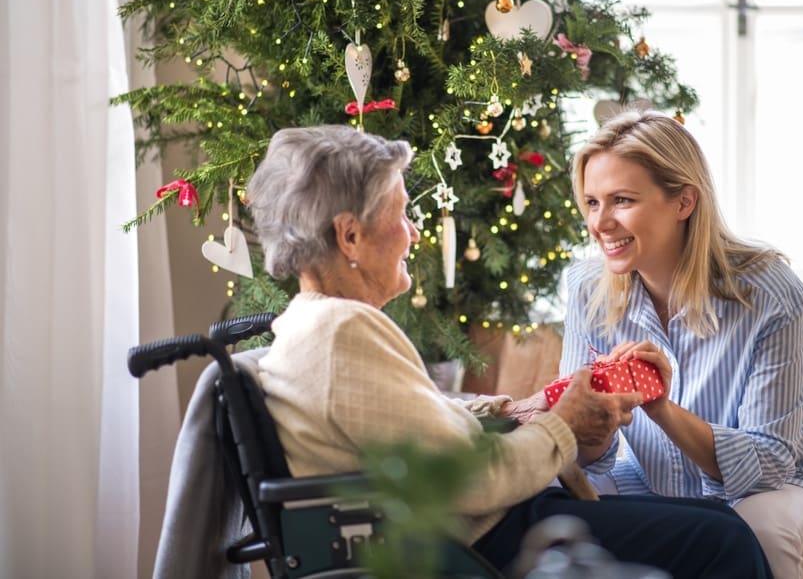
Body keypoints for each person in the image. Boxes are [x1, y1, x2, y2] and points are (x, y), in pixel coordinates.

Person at [247, 124, 773, 578]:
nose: (413, 232)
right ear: (350, 236)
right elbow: (472, 480)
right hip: (478, 541)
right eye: (401, 214)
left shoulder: (314, 324)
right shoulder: (343, 331)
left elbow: (412, 419)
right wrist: (563, 423)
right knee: (723, 540)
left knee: (722, 524)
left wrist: (516, 408)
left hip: (481, 526)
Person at [561, 110, 803, 579]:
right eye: (592, 203)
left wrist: (662, 409)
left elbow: (769, 465)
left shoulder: (767, 291)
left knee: (755, 530)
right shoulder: (586, 290)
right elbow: (584, 457)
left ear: (684, 202)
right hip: (652, 486)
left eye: (622, 200)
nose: (601, 223)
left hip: (782, 494)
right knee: (570, 516)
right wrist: (591, 423)